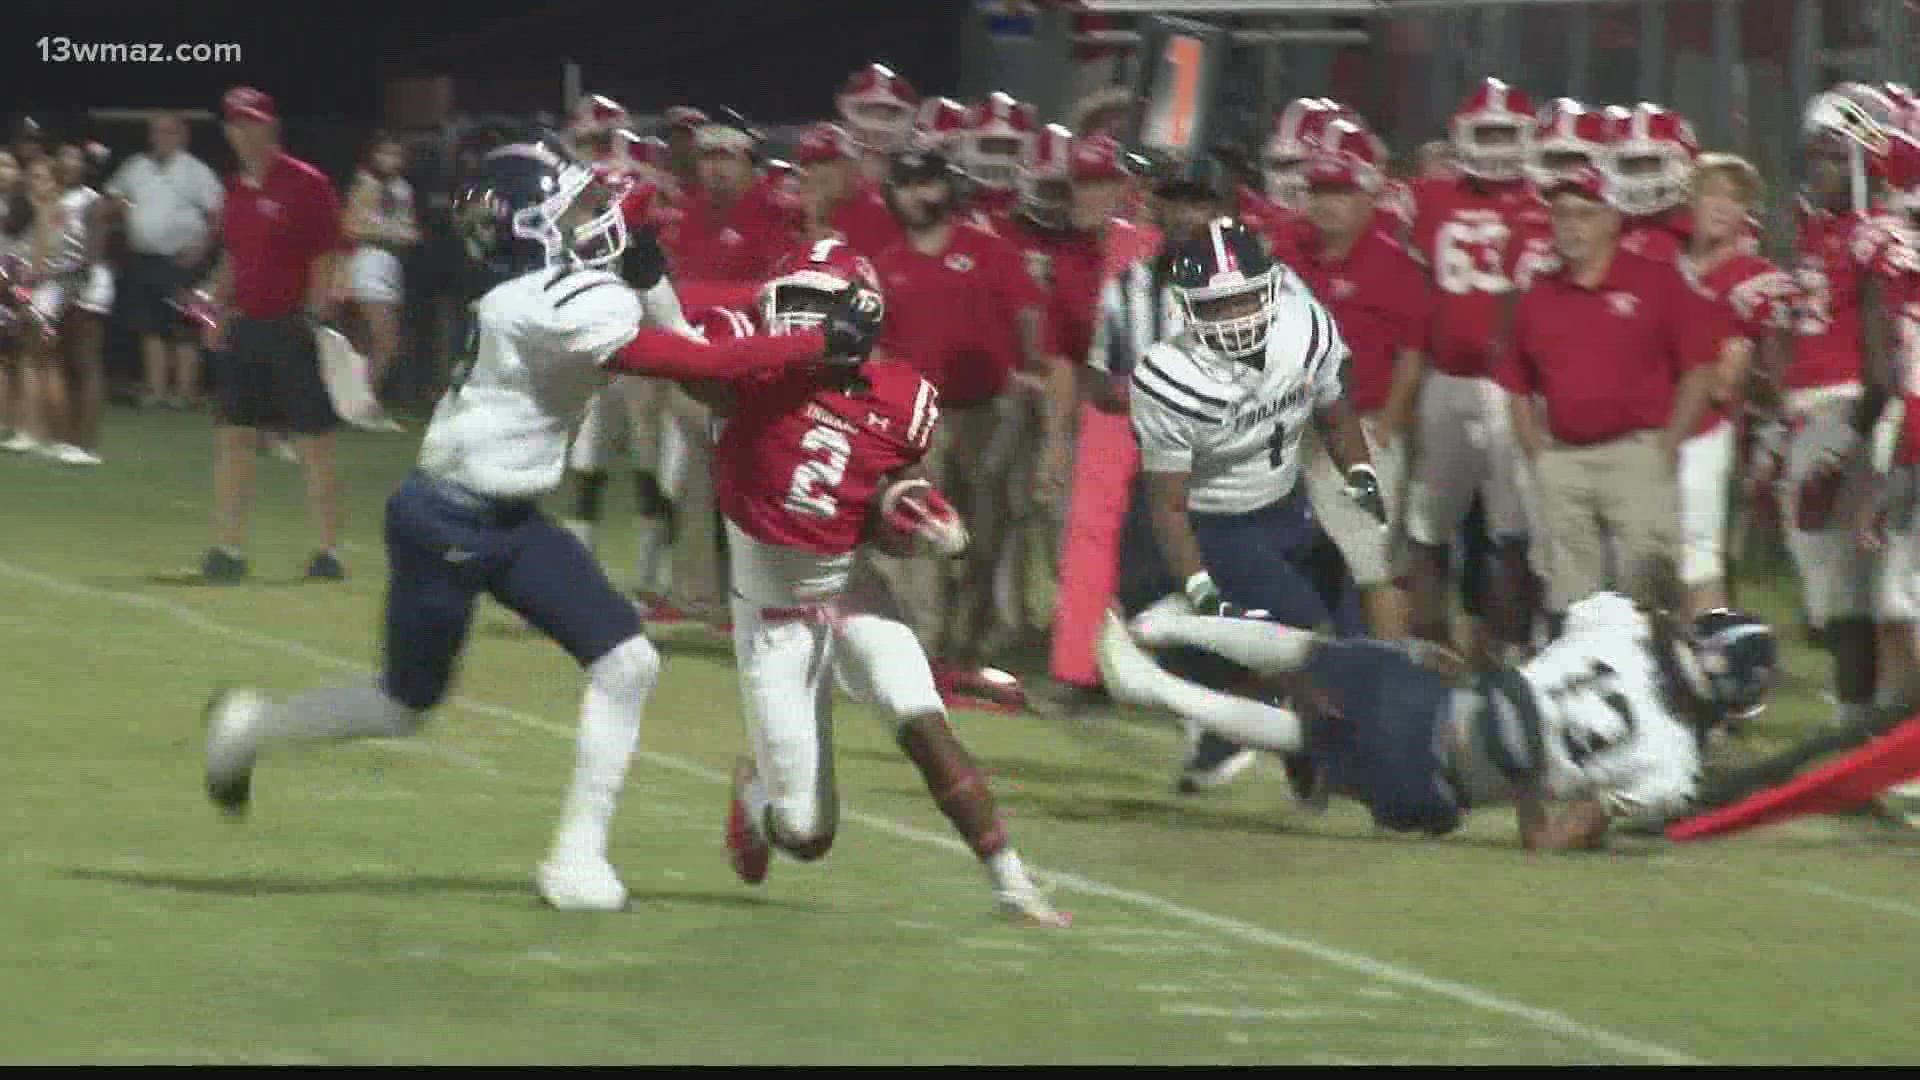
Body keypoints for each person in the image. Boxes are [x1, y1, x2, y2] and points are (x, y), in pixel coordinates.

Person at [199, 136, 881, 912]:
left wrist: (651, 265)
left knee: (628, 664)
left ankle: (575, 861)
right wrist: (817, 342)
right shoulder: (542, 303)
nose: (596, 220)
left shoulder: (553, 290)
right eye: (578, 210)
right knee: (401, 704)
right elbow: (693, 366)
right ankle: (252, 729)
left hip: (509, 516)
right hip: (447, 520)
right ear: (532, 229)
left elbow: (686, 341)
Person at [688, 238, 1066, 926]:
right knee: (806, 834)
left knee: (920, 718)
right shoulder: (743, 376)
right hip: (774, 619)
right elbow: (695, 364)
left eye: (818, 311)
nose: (803, 328)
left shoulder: (899, 396)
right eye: (794, 307)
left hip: (848, 588)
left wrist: (911, 513)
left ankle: (1012, 884)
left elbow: (871, 498)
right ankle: (755, 800)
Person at [1098, 592, 1778, 850]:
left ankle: (1166, 627)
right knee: (1306, 737)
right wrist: (1536, 787)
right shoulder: (1675, 767)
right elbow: (1552, 837)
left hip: (1432, 699)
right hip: (1432, 786)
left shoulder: (1621, 618)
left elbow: (1516, 655)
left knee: (1313, 654)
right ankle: (1153, 685)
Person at [1127, 215, 1381, 801]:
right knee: (1304, 638)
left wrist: (1359, 469)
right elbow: (1166, 503)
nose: (1235, 318)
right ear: (1188, 310)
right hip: (1218, 522)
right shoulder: (1169, 377)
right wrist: (1197, 584)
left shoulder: (1303, 326)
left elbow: (1334, 409)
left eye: (1244, 300)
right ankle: (1276, 740)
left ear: (1270, 290)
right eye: (1216, 308)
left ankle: (1267, 743)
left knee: (1351, 636)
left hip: (1287, 505)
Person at [193, 87, 351, 583]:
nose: (247, 133)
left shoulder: (307, 184)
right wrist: (214, 308)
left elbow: (326, 254)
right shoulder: (236, 191)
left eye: (255, 123)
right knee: (234, 438)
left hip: (292, 326)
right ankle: (228, 549)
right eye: (238, 125)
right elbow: (235, 259)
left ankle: (329, 550)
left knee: (313, 442)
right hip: (248, 327)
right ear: (229, 131)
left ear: (271, 127)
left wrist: (315, 317)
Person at [105, 111, 223, 411]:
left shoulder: (196, 171)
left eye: (169, 132)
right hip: (143, 259)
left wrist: (200, 249)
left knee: (183, 328)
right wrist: (121, 207)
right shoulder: (136, 166)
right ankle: (156, 390)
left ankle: (183, 393)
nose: (161, 137)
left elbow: (217, 214)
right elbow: (113, 197)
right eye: (157, 132)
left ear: (183, 136)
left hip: (183, 261)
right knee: (149, 328)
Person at [343, 131, 420, 403]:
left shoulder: (403, 188)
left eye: (395, 154)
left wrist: (399, 233)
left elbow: (411, 229)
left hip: (392, 265)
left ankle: (353, 399)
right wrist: (389, 233)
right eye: (383, 153)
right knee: (386, 340)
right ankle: (361, 402)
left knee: (368, 340)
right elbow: (351, 227)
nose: (390, 159)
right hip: (368, 263)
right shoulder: (365, 183)